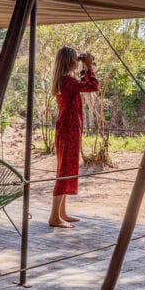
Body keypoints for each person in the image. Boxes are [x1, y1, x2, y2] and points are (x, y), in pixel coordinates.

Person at [50, 46, 98, 228]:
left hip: (68, 130)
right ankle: (54, 217)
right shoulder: (67, 82)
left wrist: (85, 67)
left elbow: (86, 86)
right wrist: (88, 67)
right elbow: (93, 86)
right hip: (68, 131)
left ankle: (61, 213)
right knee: (63, 172)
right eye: (74, 59)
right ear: (69, 62)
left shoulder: (65, 81)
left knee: (67, 169)